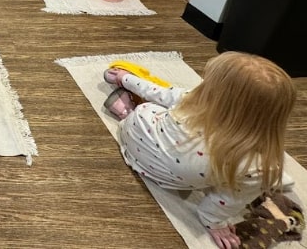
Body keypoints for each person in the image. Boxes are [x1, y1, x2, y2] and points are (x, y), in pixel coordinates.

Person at [102, 52, 296, 249]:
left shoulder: (193, 100)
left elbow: (159, 92)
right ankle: (127, 111)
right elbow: (227, 200)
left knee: (159, 103)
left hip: (135, 132)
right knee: (245, 178)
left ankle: (126, 111)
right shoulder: (258, 165)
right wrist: (214, 223)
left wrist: (125, 79)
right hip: (168, 179)